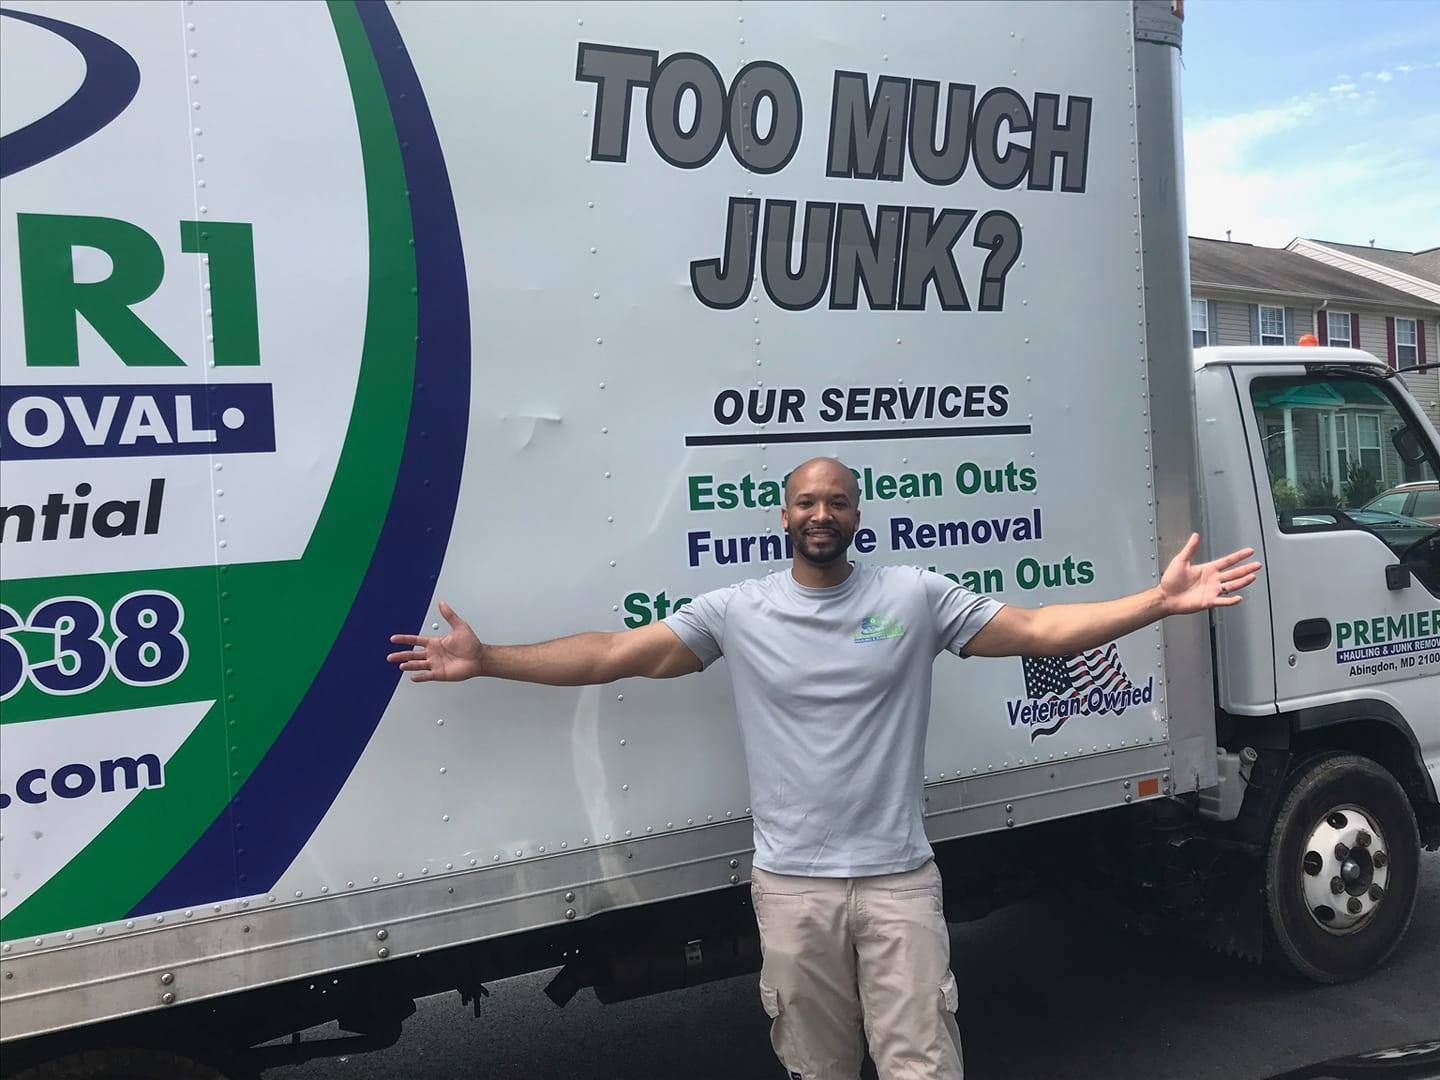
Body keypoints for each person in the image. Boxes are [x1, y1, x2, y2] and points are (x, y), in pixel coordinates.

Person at [387, 456, 1261, 1080]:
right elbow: (615, 653)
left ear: (857, 515)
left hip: (898, 882)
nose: (821, 514)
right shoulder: (739, 611)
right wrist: (488, 657)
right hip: (792, 887)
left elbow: (1036, 632)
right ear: (783, 516)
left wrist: (1158, 601)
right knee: (817, 1066)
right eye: (807, 501)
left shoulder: (913, 597)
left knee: (921, 1061)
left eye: (837, 501)